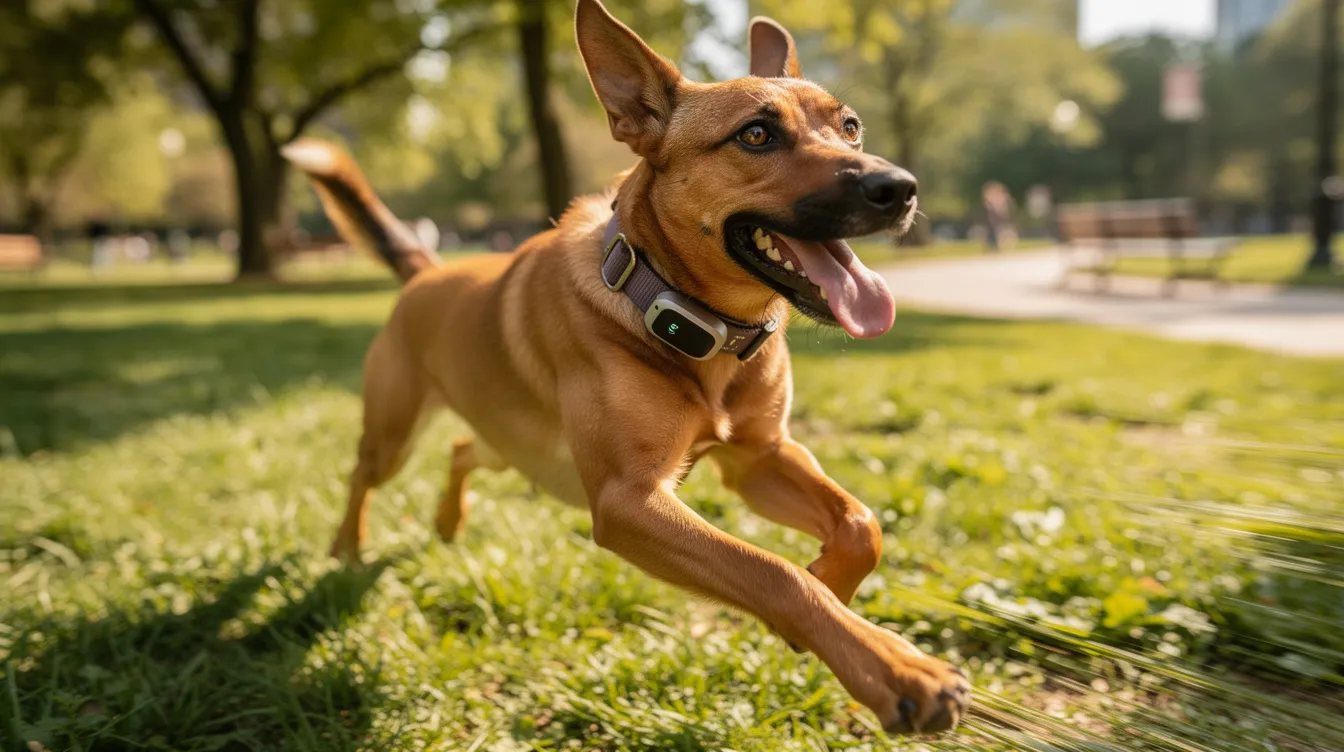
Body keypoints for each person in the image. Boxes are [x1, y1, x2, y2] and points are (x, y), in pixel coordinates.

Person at [982, 181, 1017, 252]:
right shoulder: (991, 198)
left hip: (996, 218)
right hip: (993, 219)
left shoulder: (999, 198)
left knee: (996, 231)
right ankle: (992, 245)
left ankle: (994, 245)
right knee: (992, 231)